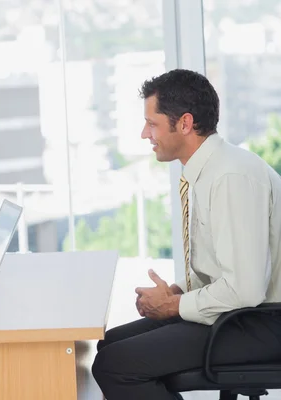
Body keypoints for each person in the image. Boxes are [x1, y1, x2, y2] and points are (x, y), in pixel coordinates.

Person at [91, 69, 281, 399]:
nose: (144, 134)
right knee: (111, 344)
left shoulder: (230, 177)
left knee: (115, 365)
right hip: (241, 312)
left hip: (263, 321)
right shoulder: (209, 169)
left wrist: (175, 306)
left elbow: (246, 290)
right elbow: (225, 267)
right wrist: (175, 292)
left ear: (185, 123)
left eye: (152, 123)